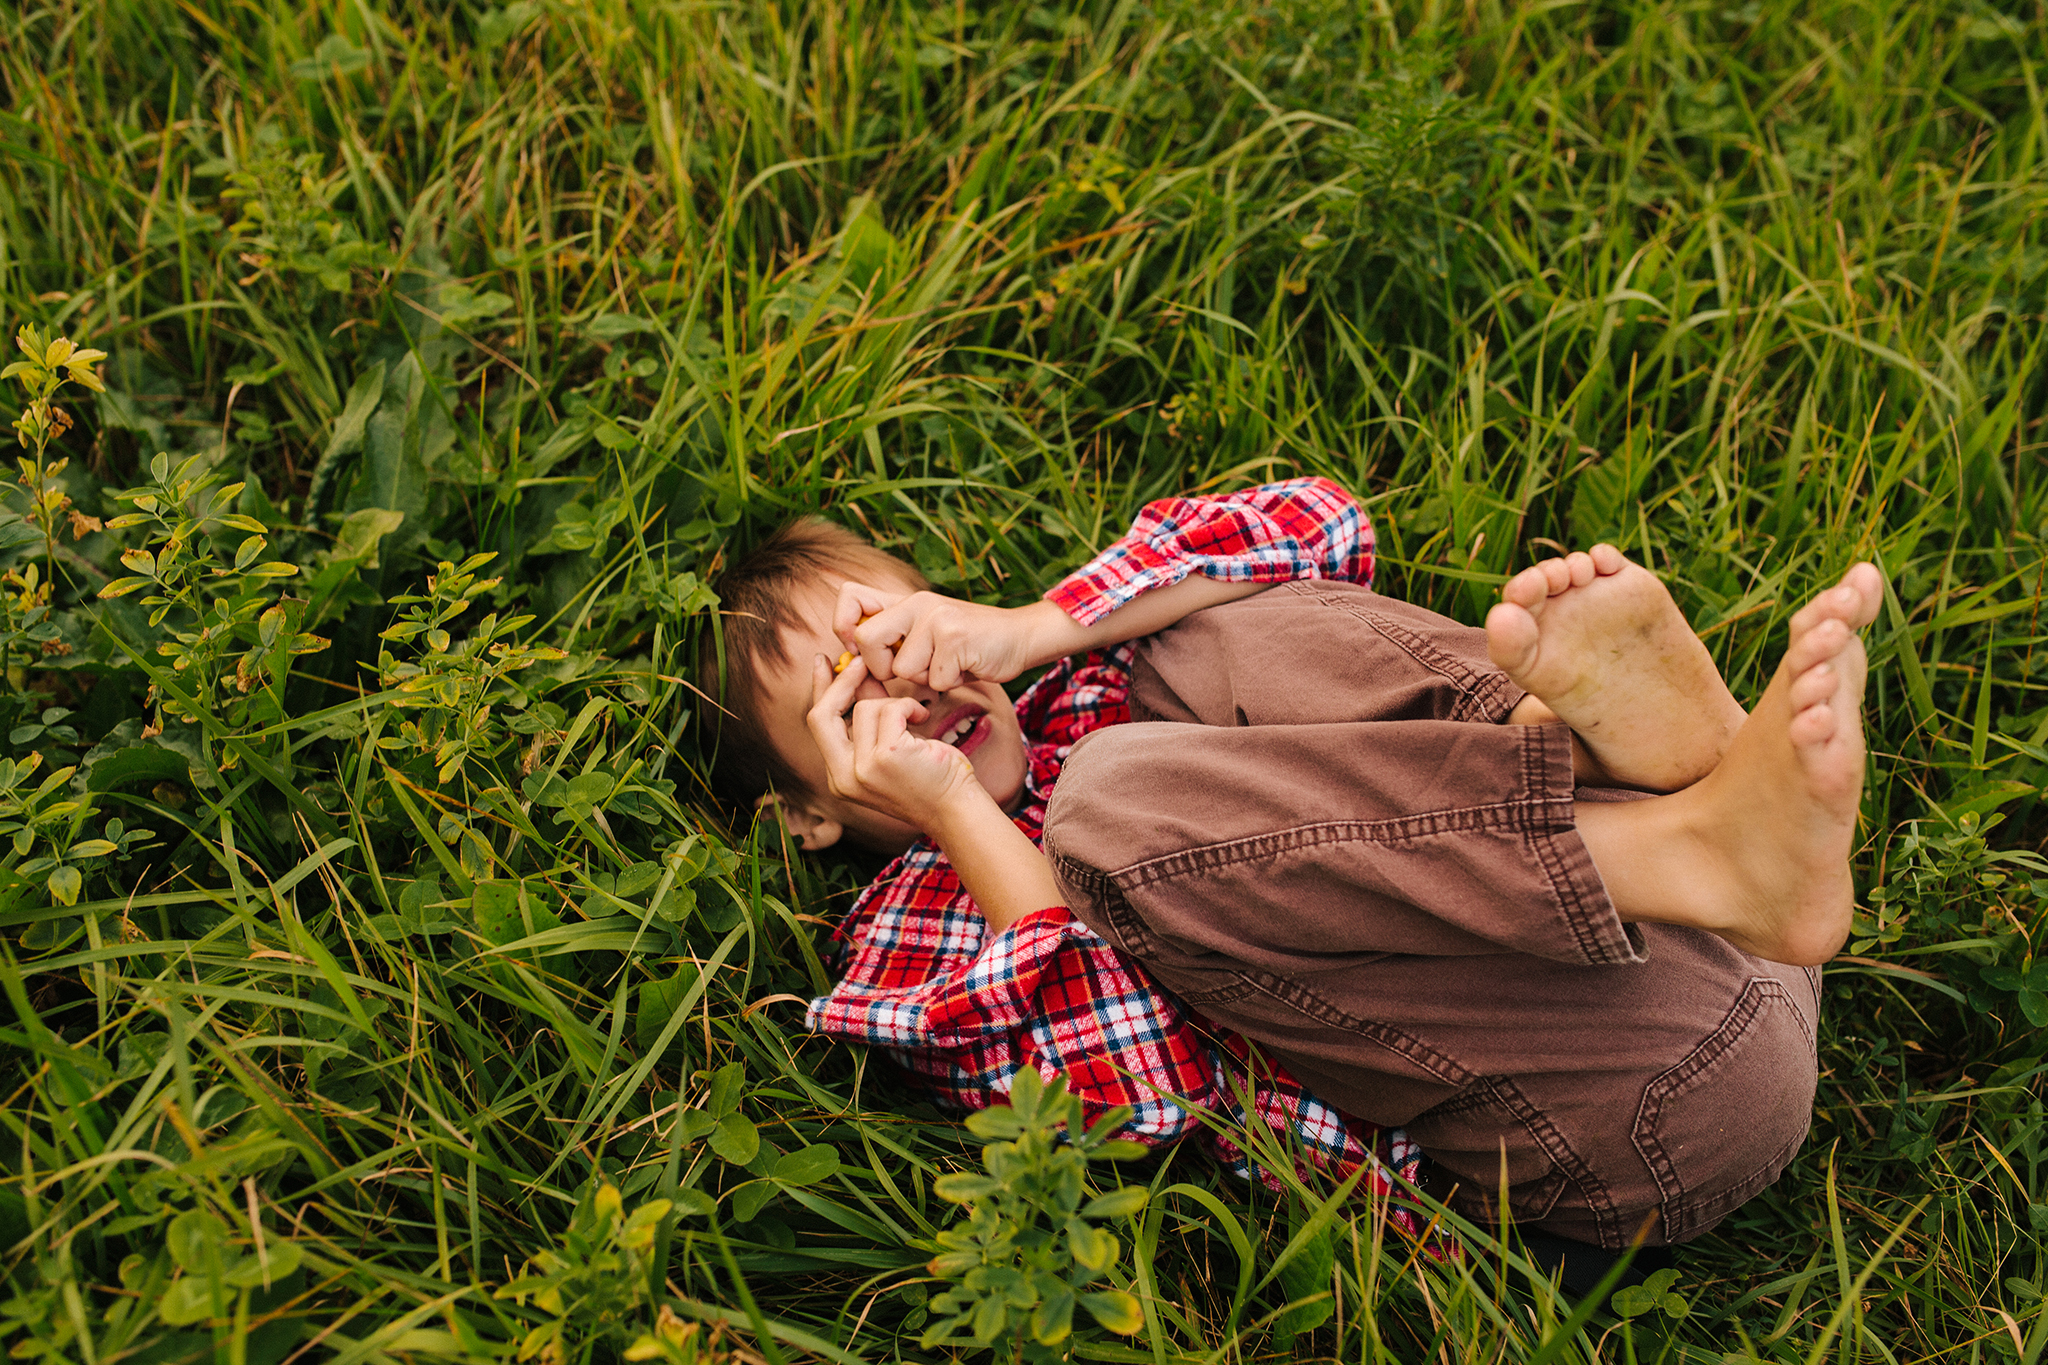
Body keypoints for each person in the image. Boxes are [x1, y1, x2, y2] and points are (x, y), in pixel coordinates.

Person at [702, 477, 1880, 1249]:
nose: (908, 688)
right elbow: (1132, 1093)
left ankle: (1655, 783)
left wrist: (1035, 628)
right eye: (849, 697)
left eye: (898, 637)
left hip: (1732, 944)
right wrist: (958, 805)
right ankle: (1672, 826)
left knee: (1214, 630)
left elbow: (1318, 527)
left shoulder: (1093, 676)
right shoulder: (910, 938)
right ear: (805, 813)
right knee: (1107, 807)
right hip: (1642, 1085)